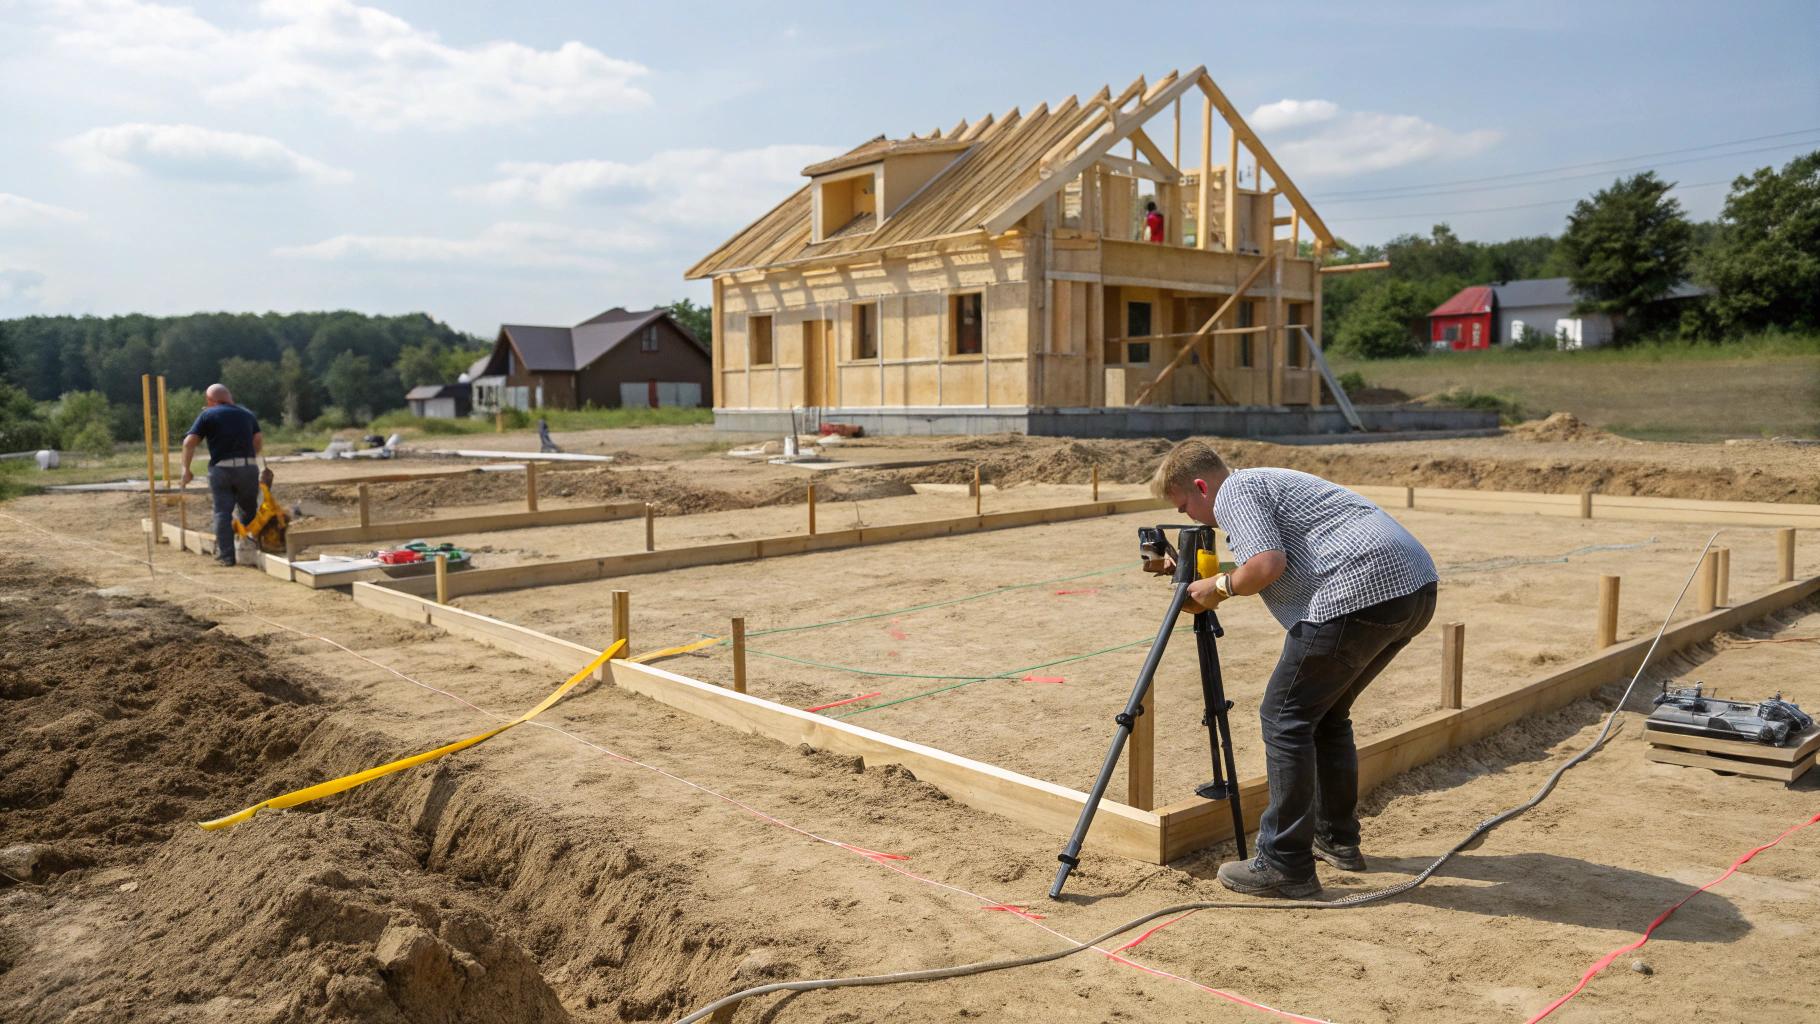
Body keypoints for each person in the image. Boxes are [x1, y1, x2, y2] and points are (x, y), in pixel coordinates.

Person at [1150, 439, 1437, 898]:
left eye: (1184, 505)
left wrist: (1218, 589)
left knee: (1284, 717)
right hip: (1411, 589)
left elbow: (1265, 564)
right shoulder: (1266, 482)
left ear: (1201, 486)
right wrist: (1210, 575)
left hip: (1356, 593)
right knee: (1325, 715)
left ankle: (1285, 863)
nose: (1187, 517)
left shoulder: (1235, 493)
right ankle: (1335, 838)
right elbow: (1272, 560)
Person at [180, 384, 264, 567]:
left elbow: (189, 443)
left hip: (222, 469)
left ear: (210, 400)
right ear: (229, 398)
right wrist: (249, 458)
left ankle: (226, 557)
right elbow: (257, 440)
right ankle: (249, 553)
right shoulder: (247, 414)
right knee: (249, 512)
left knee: (222, 512)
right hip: (248, 468)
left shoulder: (207, 415)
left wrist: (186, 469)